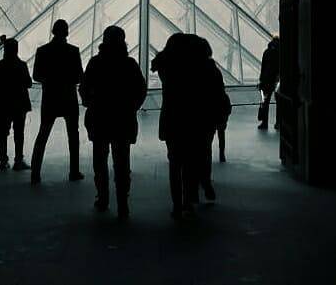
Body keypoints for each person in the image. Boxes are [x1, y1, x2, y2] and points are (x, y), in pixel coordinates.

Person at [80, 25, 147, 218]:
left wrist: (90, 102)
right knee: (122, 162)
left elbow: (84, 89)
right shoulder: (129, 64)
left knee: (100, 161)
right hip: (123, 120)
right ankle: (122, 202)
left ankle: (102, 198)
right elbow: (140, 90)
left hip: (99, 119)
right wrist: (131, 107)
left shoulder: (95, 63)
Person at [151, 32, 216, 218]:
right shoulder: (196, 67)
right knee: (190, 163)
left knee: (175, 164)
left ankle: (177, 205)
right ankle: (187, 200)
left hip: (171, 119)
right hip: (193, 120)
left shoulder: (166, 67)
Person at [30, 18, 85, 184]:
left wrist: (51, 79)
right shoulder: (73, 51)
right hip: (68, 97)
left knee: (43, 135)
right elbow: (79, 76)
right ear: (67, 32)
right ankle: (74, 171)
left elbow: (36, 76)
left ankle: (35, 173)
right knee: (73, 136)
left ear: (53, 31)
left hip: (50, 97)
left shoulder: (42, 51)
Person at [198, 39, 232, 203]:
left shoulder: (189, 72)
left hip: (195, 117)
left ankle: (193, 185)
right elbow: (220, 94)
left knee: (193, 150)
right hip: (210, 116)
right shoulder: (214, 71)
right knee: (205, 149)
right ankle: (205, 180)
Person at [0, 37, 32, 171]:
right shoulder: (22, 65)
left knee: (2, 133)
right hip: (19, 104)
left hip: (2, 104)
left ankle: (3, 160)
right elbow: (28, 83)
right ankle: (18, 160)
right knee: (19, 133)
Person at [258, 35, 281, 130]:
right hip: (277, 81)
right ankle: (278, 123)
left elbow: (263, 68)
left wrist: (261, 80)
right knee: (279, 103)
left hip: (266, 80)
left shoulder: (266, 52)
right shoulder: (280, 53)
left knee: (265, 102)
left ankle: (264, 123)